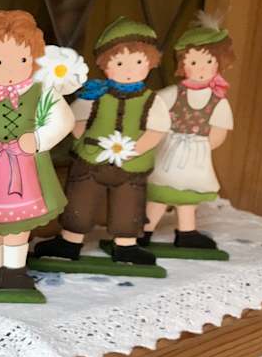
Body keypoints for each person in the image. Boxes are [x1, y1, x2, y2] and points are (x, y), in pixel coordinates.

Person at [0, 10, 75, 293]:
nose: (10, 69)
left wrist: (39, 139)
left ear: (34, 59)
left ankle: (15, 272)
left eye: (21, 60)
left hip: (25, 170)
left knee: (19, 226)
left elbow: (63, 120)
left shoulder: (42, 92)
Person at [34, 17, 171, 266]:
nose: (128, 70)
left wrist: (136, 149)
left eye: (138, 62)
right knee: (80, 200)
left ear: (150, 63)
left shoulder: (153, 101)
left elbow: (157, 129)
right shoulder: (94, 95)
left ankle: (126, 245)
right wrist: (86, 141)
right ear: (105, 64)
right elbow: (74, 120)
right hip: (90, 162)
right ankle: (70, 241)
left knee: (128, 204)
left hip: (131, 165)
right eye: (119, 63)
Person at [143, 14, 234, 249]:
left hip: (196, 154)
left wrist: (200, 147)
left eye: (208, 61)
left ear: (219, 63)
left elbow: (219, 131)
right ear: (182, 64)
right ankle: (144, 229)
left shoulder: (218, 101)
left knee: (187, 195)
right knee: (160, 192)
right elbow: (153, 111)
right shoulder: (172, 94)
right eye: (193, 62)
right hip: (169, 149)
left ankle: (186, 232)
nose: (201, 68)